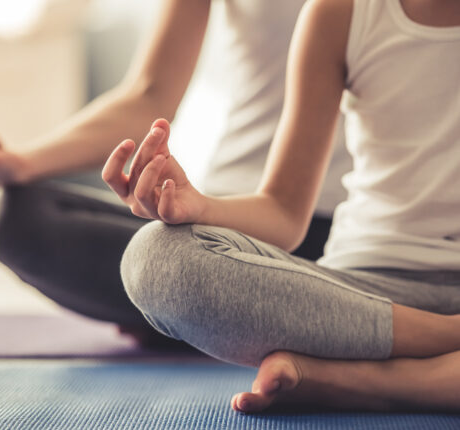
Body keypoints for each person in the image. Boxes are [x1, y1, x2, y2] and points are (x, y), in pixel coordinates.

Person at [0, 1, 351, 343]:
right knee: (14, 216)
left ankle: (193, 321)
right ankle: (206, 320)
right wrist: (17, 163)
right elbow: (150, 93)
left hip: (336, 235)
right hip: (216, 220)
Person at [103, 0, 460, 413]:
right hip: (363, 292)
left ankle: (362, 380)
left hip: (378, 320)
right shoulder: (339, 14)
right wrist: (198, 206)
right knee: (156, 258)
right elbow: (283, 213)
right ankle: (444, 342)